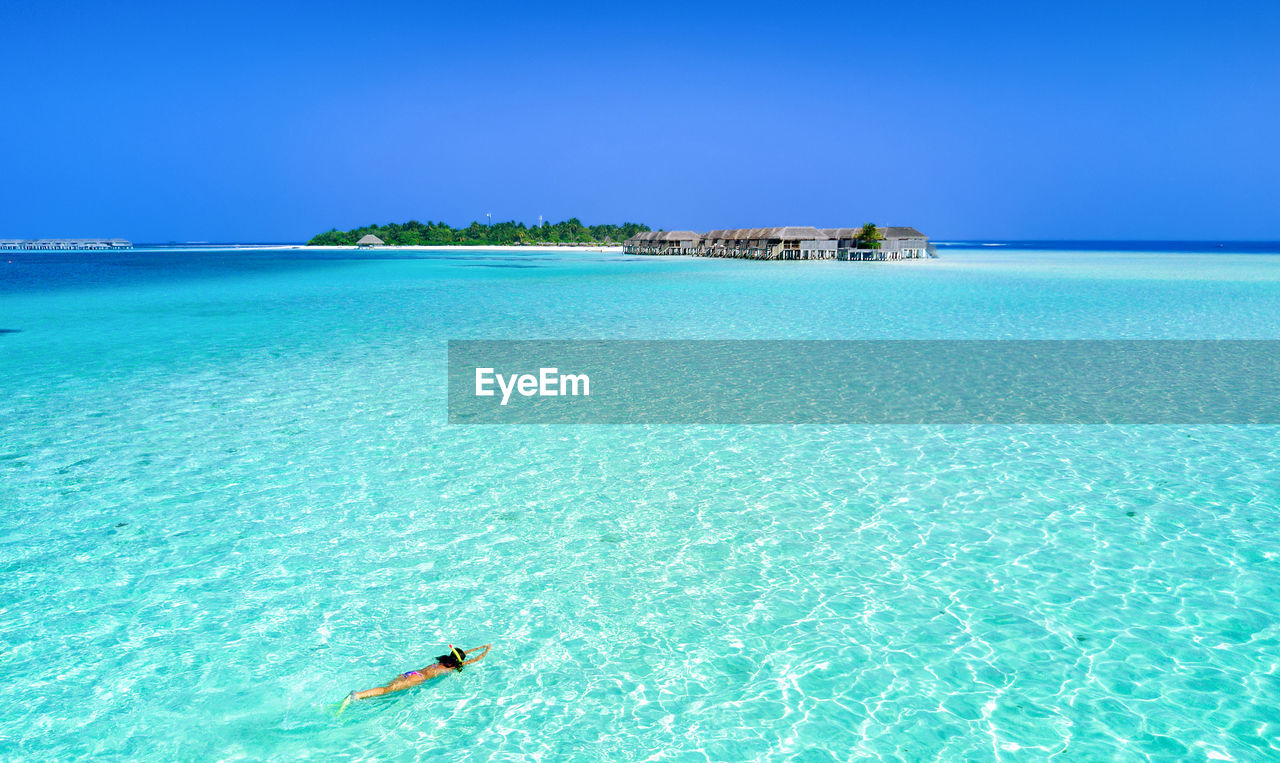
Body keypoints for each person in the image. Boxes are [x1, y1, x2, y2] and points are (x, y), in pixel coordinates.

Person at [340, 644, 491, 708]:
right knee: (386, 691)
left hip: (411, 673)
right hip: (417, 679)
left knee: (388, 687)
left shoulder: (443, 660)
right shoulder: (450, 668)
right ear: (456, 663)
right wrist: (486, 650)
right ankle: (358, 695)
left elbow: (464, 655)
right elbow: (473, 659)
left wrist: (479, 647)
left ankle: (362, 695)